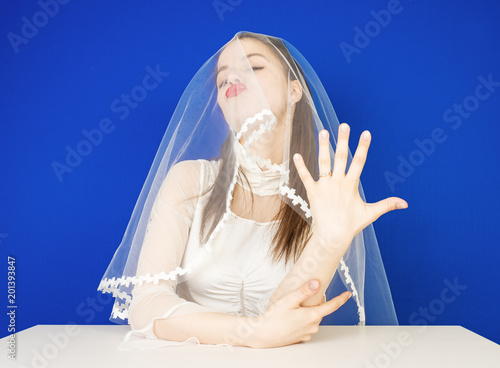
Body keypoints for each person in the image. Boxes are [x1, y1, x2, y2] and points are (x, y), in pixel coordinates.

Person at [97, 31, 408, 349]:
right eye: (222, 79)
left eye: (254, 67)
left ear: (294, 90)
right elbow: (146, 306)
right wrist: (255, 332)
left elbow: (296, 315)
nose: (232, 77)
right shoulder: (188, 181)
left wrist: (331, 238)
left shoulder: (323, 196)